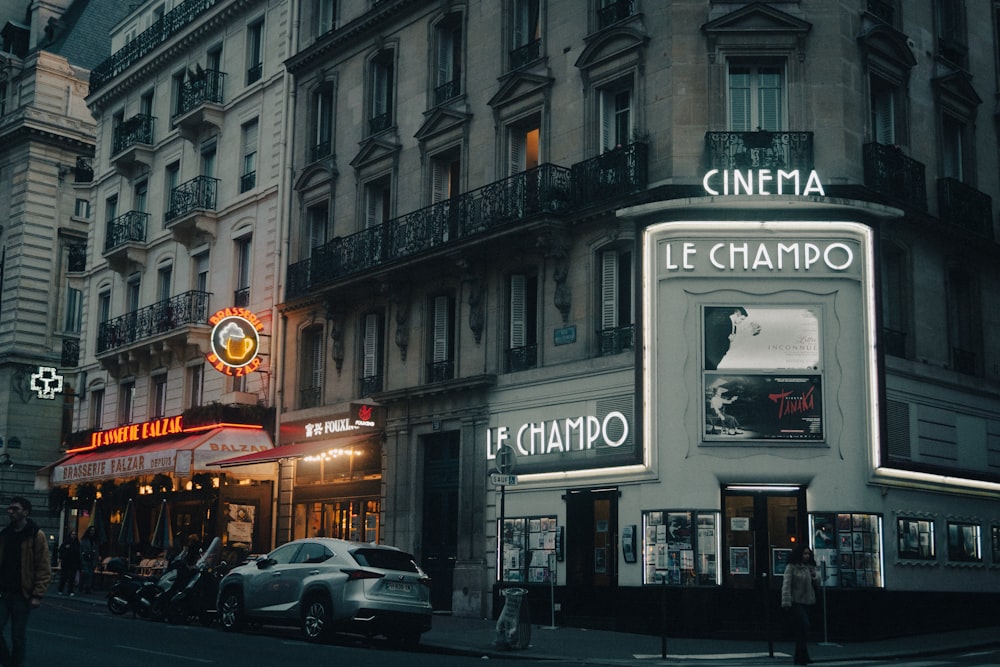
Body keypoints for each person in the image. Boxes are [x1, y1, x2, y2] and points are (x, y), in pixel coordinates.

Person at [0, 496, 52, 667]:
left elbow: (43, 566)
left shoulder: (36, 535)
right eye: (10, 508)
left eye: (15, 509)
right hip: (3, 592)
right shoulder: (5, 534)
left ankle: (15, 664)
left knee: (18, 635)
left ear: (25, 512)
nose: (11, 512)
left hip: (22, 594)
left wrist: (38, 594)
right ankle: (7, 662)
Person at [781, 544, 821, 665]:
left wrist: (815, 575)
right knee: (804, 625)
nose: (807, 556)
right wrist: (786, 601)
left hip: (807, 601)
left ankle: (801, 655)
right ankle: (801, 655)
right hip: (795, 601)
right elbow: (786, 584)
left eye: (808, 554)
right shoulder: (792, 567)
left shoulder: (810, 567)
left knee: (802, 630)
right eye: (805, 554)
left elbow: (817, 584)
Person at [57, 530, 82, 596]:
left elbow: (78, 554)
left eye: (75, 534)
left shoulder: (77, 543)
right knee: (63, 577)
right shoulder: (66, 542)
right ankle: (61, 589)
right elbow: (61, 550)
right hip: (66, 562)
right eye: (72, 534)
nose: (74, 536)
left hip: (73, 563)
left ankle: (70, 590)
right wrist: (66, 548)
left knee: (72, 578)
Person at [79, 526, 99, 594]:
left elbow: (96, 551)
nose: (92, 532)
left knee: (90, 574)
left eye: (93, 531)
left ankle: (88, 588)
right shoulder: (84, 540)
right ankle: (82, 585)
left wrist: (96, 560)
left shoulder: (95, 541)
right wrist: (81, 558)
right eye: (91, 530)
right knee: (86, 573)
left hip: (92, 560)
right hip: (85, 559)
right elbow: (81, 550)